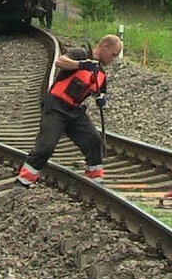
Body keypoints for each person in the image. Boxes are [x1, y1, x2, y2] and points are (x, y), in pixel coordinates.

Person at [14, 34, 124, 189]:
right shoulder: (80, 54)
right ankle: (22, 182)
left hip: (74, 112)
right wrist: (80, 65)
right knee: (46, 147)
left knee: (94, 140)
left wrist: (101, 99)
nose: (113, 59)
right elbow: (60, 61)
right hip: (56, 107)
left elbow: (100, 92)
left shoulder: (100, 74)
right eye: (113, 54)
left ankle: (96, 182)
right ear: (104, 47)